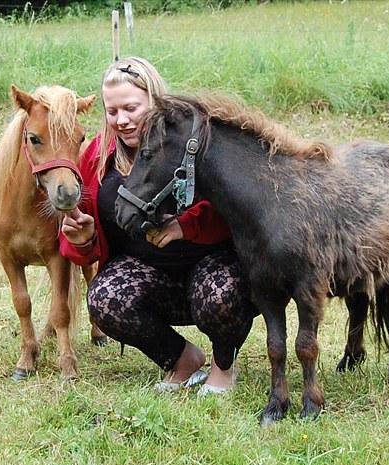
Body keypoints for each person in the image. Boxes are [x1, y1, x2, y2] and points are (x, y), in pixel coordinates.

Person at [59, 56, 256, 394]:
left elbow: (239, 210)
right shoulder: (95, 155)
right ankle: (180, 359)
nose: (121, 120)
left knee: (222, 294)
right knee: (105, 297)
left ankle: (223, 367)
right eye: (112, 111)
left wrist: (185, 226)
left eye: (131, 108)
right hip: (149, 276)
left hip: (213, 269)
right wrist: (84, 237)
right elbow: (86, 238)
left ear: (155, 100)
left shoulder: (198, 145)